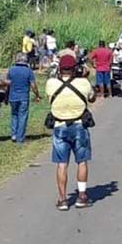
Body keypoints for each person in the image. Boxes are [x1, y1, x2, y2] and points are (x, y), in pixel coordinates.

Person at [46, 55, 96, 210]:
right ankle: (82, 196)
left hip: (60, 126)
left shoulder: (51, 83)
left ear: (60, 69)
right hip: (79, 125)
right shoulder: (83, 83)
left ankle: (62, 199)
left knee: (62, 164)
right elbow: (92, 98)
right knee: (82, 161)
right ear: (76, 68)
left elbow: (49, 97)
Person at [6, 52, 41, 144]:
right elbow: (33, 85)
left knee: (14, 115)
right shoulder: (28, 71)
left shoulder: (11, 70)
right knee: (22, 116)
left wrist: (6, 96)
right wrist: (37, 95)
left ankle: (13, 134)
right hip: (23, 97)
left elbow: (8, 84)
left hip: (13, 96)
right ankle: (20, 137)